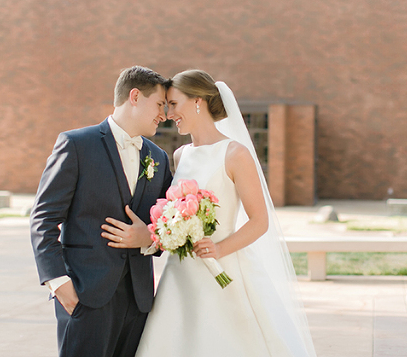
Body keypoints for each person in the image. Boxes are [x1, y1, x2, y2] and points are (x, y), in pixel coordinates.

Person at [134, 70, 317, 357]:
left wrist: (218, 248)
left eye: (173, 103)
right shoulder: (182, 154)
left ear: (197, 101)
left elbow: (260, 221)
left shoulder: (235, 154)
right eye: (166, 105)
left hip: (223, 267)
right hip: (180, 273)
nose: (169, 113)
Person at [30, 66, 173, 357]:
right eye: (160, 104)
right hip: (85, 295)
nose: (165, 114)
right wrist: (59, 285)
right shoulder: (76, 145)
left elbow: (169, 220)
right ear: (135, 96)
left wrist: (148, 238)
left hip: (139, 300)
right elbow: (43, 219)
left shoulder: (157, 158)